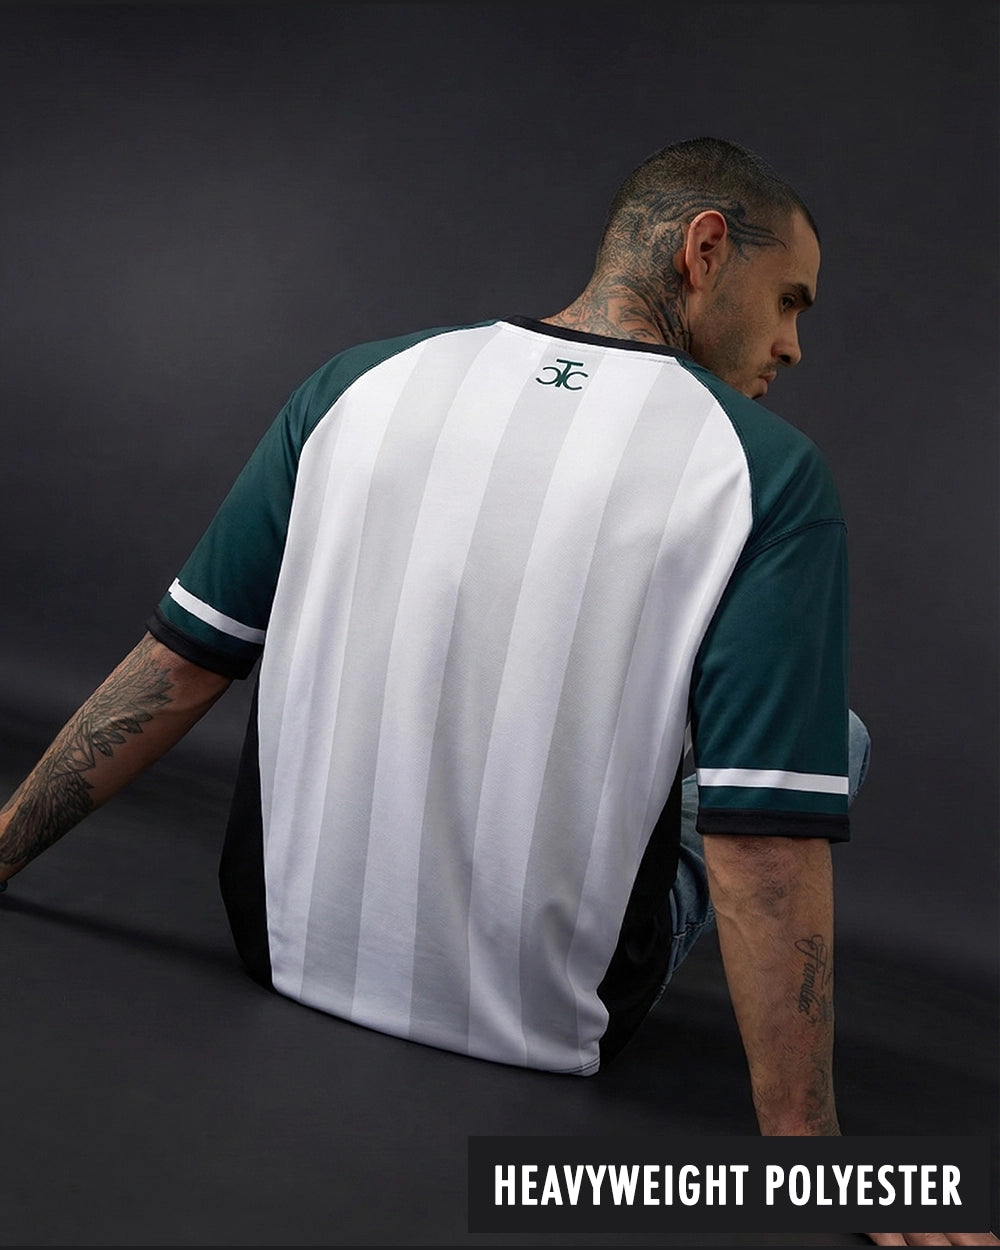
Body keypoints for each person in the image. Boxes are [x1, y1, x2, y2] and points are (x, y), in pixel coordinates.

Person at [0, 138, 994, 1247]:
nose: (793, 345)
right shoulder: (768, 472)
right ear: (706, 249)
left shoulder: (356, 383)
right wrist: (816, 1158)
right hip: (551, 1023)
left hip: (280, 950)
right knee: (820, 741)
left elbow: (178, 666)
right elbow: (762, 839)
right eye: (789, 301)